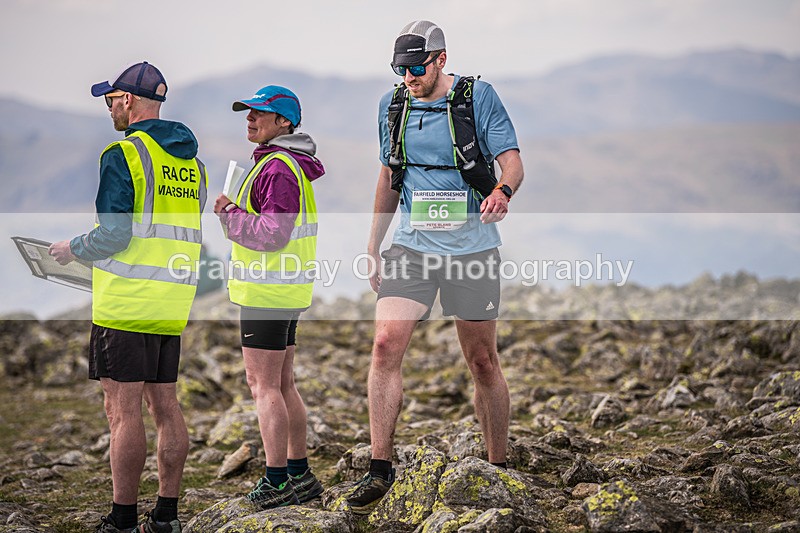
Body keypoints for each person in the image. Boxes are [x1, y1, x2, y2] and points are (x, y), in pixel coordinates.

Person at [345, 20, 525, 514]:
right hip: (412, 245)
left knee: (482, 361)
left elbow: (512, 162)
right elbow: (389, 174)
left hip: (472, 248)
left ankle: (497, 466)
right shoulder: (394, 104)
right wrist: (373, 243)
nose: (408, 77)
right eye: (400, 69)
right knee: (385, 344)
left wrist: (501, 192)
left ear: (441, 60)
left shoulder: (476, 98)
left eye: (417, 67)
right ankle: (380, 467)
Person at [49, 61, 207, 532]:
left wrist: (71, 249)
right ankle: (166, 516)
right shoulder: (192, 163)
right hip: (171, 303)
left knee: (123, 413)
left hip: (125, 303)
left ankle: (121, 521)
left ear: (130, 101)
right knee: (167, 407)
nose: (108, 108)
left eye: (110, 100)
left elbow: (115, 235)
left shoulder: (124, 154)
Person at [213, 85, 325, 509]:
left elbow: (272, 234)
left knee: (264, 387)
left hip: (267, 289)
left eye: (260, 112)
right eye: (247, 111)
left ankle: (277, 480)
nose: (249, 117)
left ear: (285, 122)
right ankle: (299, 474)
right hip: (286, 288)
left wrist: (229, 214)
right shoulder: (286, 164)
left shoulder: (277, 169)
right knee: (281, 382)